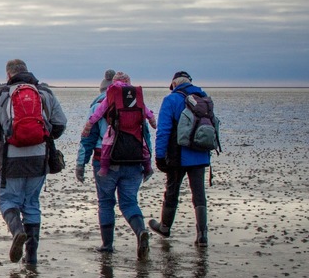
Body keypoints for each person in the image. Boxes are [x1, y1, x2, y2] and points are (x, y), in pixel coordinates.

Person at [0, 59, 67, 265]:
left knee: (8, 201)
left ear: (8, 75)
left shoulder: (1, 94)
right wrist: (42, 138)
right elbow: (60, 124)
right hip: (39, 158)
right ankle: (32, 257)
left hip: (11, 158)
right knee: (32, 204)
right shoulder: (45, 93)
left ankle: (17, 231)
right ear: (27, 71)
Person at [78, 72, 156, 257]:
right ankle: (140, 231)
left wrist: (80, 164)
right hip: (134, 160)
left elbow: (87, 140)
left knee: (106, 203)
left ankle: (107, 245)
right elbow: (145, 135)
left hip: (105, 161)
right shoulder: (135, 104)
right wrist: (148, 163)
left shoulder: (98, 106)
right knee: (129, 202)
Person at [149, 71, 215, 246]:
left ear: (174, 84)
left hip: (178, 156)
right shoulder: (203, 98)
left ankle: (164, 227)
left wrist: (159, 156)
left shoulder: (171, 100)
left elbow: (163, 131)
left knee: (172, 191)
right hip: (200, 153)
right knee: (199, 194)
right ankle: (202, 236)